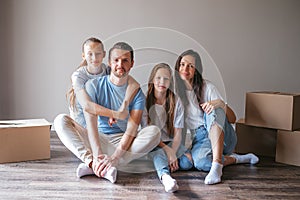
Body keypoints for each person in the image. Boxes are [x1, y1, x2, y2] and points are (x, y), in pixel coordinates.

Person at [54, 38, 141, 183]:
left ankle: (96, 164)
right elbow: (88, 106)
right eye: (90, 54)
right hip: (84, 130)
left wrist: (123, 106)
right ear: (83, 56)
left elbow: (134, 84)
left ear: (104, 55)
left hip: (102, 132)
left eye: (98, 54)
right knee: (59, 121)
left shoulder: (108, 71)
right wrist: (115, 114)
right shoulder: (78, 76)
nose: (94, 58)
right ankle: (92, 162)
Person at [174, 49, 259, 185]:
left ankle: (218, 164)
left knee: (214, 108)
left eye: (191, 65)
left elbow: (232, 119)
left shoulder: (207, 87)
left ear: (196, 70)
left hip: (223, 136)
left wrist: (220, 104)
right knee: (200, 163)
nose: (186, 68)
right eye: (183, 64)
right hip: (200, 138)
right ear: (178, 67)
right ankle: (235, 159)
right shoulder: (177, 94)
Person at [82, 42, 161, 183]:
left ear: (132, 63)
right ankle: (93, 162)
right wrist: (96, 153)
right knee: (61, 121)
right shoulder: (93, 86)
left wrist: (116, 156)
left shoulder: (137, 94)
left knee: (154, 132)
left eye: (125, 60)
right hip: (98, 139)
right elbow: (91, 122)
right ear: (109, 63)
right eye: (116, 60)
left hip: (124, 141)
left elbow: (132, 129)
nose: (120, 64)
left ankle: (108, 164)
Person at [142, 63, 193, 193]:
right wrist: (168, 152)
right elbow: (148, 134)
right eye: (158, 78)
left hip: (170, 141)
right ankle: (166, 178)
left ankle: (164, 163)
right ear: (152, 80)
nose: (162, 82)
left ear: (170, 82)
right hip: (153, 143)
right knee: (159, 154)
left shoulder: (176, 102)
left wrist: (173, 152)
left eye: (166, 79)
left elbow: (178, 134)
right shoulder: (145, 101)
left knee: (187, 163)